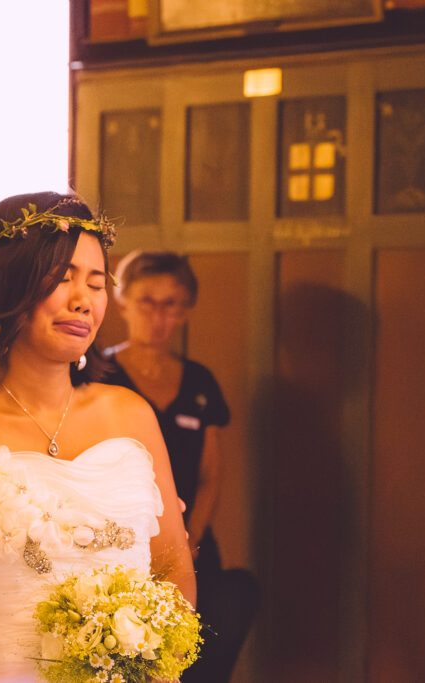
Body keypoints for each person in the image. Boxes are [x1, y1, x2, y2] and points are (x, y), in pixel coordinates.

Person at [0, 192, 196, 681]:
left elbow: (173, 571)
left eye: (96, 283)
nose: (82, 301)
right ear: (9, 285)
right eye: (62, 279)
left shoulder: (131, 415)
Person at [100, 251, 259, 683]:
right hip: (117, 547)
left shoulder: (200, 382)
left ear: (186, 312)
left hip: (193, 543)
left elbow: (210, 476)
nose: (158, 315)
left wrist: (187, 545)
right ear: (123, 301)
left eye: (171, 304)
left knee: (193, 661)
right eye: (148, 300)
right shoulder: (98, 373)